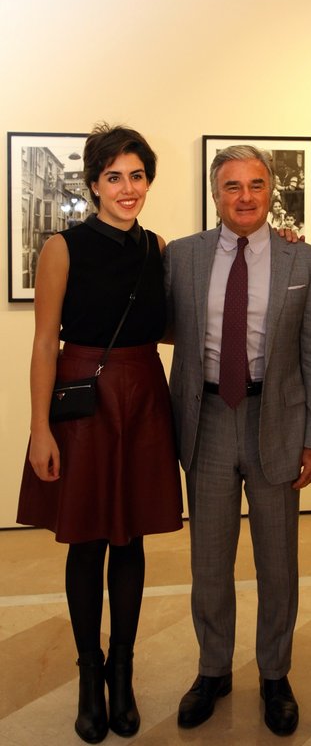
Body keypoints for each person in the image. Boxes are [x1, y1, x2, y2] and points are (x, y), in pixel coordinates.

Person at [17, 124, 183, 744]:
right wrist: (39, 428)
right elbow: (44, 343)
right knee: (87, 542)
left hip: (144, 398)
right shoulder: (62, 248)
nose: (127, 188)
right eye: (114, 177)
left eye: (137, 175)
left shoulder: (158, 248)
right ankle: (90, 673)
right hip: (83, 401)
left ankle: (122, 670)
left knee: (131, 539)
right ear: (93, 184)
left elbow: (166, 328)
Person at [164, 144, 311, 736]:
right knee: (209, 562)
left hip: (276, 420)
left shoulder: (303, 261)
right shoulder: (181, 256)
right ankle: (212, 670)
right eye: (232, 186)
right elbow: (157, 326)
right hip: (206, 419)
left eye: (256, 184)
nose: (245, 196)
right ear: (215, 194)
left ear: (271, 191)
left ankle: (275, 674)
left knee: (277, 562)